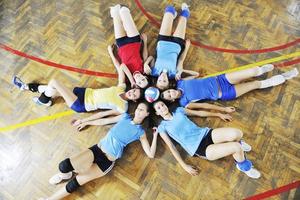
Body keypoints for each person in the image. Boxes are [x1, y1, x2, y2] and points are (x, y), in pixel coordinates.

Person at [38, 102, 158, 200]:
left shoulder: (140, 132)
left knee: (74, 183)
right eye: (138, 108)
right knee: (64, 166)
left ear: (147, 114)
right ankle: (66, 174)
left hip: (106, 161)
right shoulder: (124, 117)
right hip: (97, 150)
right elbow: (104, 121)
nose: (138, 111)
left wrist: (155, 136)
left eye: (142, 110)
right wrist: (86, 122)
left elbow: (151, 154)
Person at [12, 50, 143, 116]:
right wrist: (132, 81)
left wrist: (86, 121)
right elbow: (122, 67)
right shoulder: (122, 88)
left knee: (54, 82)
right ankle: (27, 87)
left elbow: (104, 115)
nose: (131, 92)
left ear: (135, 101)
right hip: (83, 92)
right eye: (134, 90)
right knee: (52, 89)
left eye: (134, 95)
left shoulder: (123, 107)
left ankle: (44, 101)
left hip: (82, 104)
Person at [153, 100, 261, 178]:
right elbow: (171, 147)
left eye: (162, 105)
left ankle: (240, 147)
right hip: (198, 148)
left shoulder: (179, 111)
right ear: (157, 113)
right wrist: (184, 166)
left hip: (206, 134)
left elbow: (199, 113)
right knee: (236, 147)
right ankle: (245, 167)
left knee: (237, 133)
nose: (162, 108)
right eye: (158, 108)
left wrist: (219, 114)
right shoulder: (162, 127)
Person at [161, 66, 299, 107]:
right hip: (226, 92)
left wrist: (181, 72)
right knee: (256, 84)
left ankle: (262, 70)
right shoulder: (184, 102)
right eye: (169, 96)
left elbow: (196, 74)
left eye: (168, 92)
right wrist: (222, 110)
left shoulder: (181, 82)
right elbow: (204, 106)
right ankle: (287, 76)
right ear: (172, 100)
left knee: (253, 72)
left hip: (220, 79)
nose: (170, 93)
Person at [143, 4, 198, 90]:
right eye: (164, 81)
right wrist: (187, 47)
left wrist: (146, 64)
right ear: (168, 82)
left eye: (160, 80)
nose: (163, 79)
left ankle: (173, 15)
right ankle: (184, 11)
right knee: (185, 14)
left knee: (169, 9)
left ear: (157, 80)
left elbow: (151, 57)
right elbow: (181, 60)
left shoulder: (154, 72)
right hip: (177, 43)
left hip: (162, 41)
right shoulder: (174, 74)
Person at [108, 5, 149, 88]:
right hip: (135, 41)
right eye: (143, 80)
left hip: (121, 44)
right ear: (145, 77)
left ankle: (114, 13)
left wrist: (111, 53)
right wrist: (145, 42)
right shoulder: (143, 70)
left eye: (139, 82)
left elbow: (121, 65)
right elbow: (146, 56)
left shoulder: (126, 77)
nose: (140, 79)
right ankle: (120, 12)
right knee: (124, 10)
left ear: (136, 84)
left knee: (115, 12)